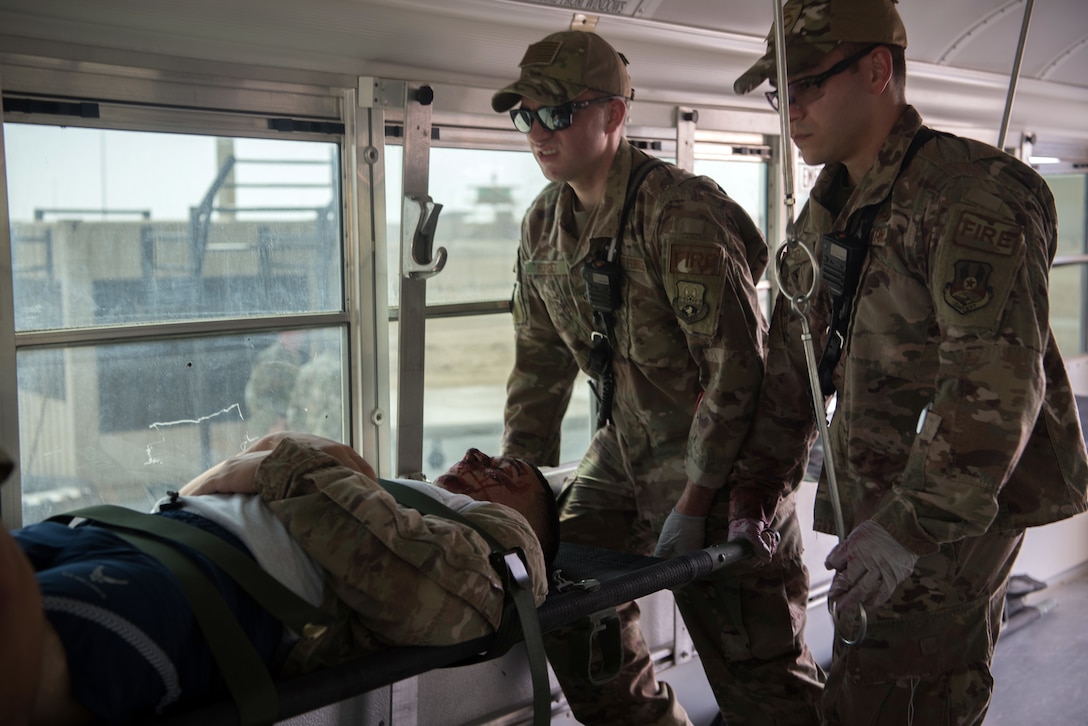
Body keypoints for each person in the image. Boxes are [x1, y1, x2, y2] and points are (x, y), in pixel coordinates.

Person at [727, 0, 1088, 723]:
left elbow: (996, 385)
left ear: (878, 70)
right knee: (865, 682)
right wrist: (759, 482)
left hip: (949, 513)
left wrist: (909, 528)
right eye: (780, 92)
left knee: (904, 698)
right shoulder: (831, 205)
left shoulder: (970, 195)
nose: (788, 111)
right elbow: (795, 358)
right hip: (875, 498)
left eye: (807, 85)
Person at [492, 29, 823, 725]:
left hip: (724, 466)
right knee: (565, 597)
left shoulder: (680, 215)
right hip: (624, 450)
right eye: (526, 115)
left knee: (760, 682)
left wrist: (698, 501)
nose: (537, 132)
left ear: (613, 116)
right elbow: (539, 366)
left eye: (556, 114)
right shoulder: (543, 227)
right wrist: (512, 498)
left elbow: (737, 372)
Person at [3, 433, 558, 725]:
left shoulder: (510, 546)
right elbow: (216, 483)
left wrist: (283, 460)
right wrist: (281, 460)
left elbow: (433, 590)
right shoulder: (390, 496)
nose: (476, 455)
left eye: (505, 472)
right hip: (128, 533)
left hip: (207, 590)